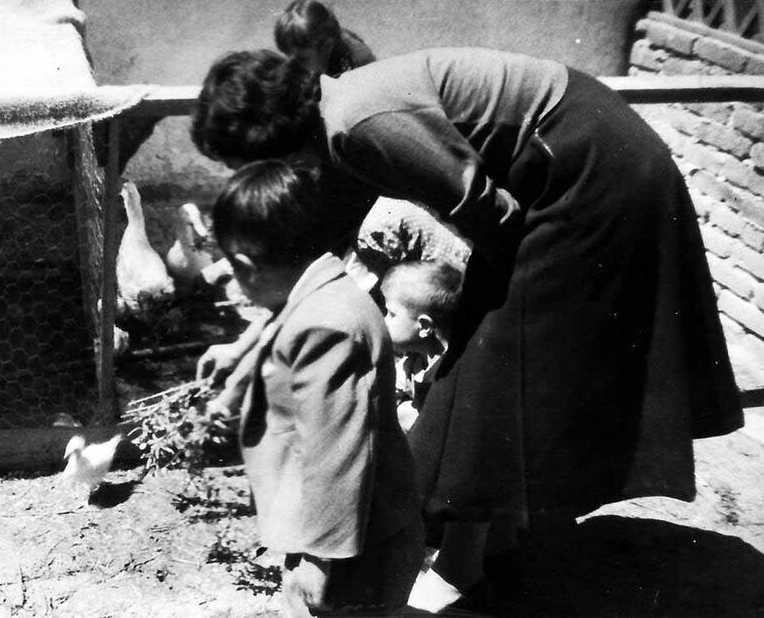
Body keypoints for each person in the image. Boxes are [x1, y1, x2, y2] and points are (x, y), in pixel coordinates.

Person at [191, 46, 745, 610]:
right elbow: (316, 254)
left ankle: (462, 564)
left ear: (275, 141)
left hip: (592, 171)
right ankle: (494, 533)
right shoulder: (337, 126)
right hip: (558, 174)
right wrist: (255, 336)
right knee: (486, 368)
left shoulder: (360, 122)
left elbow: (494, 216)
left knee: (489, 368)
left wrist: (478, 317)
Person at [206, 159, 423, 616]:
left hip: (354, 543)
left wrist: (318, 558)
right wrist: (240, 357)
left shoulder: (327, 328)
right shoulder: (320, 284)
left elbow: (336, 452)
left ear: (246, 266)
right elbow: (280, 317)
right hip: (347, 526)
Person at [379, 260, 463, 433]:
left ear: (424, 326)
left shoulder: (447, 378)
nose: (383, 321)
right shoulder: (415, 358)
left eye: (392, 314)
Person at [274, 0, 375, 77]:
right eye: (287, 57)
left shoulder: (357, 63)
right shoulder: (311, 55)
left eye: (302, 59)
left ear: (327, 47)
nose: (291, 68)